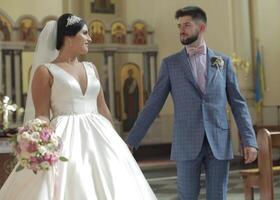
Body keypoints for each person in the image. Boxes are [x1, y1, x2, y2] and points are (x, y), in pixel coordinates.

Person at [0, 13, 156, 200]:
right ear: (69, 36)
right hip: (65, 138)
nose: (90, 38)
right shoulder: (45, 71)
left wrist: (118, 141)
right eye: (85, 33)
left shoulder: (91, 68)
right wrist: (36, 138)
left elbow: (103, 108)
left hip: (102, 136)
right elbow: (42, 114)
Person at [126, 6, 258, 200]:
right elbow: (153, 105)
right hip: (186, 142)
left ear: (202, 27)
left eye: (187, 25)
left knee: (217, 197)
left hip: (218, 143)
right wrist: (131, 141)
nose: (181, 30)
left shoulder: (223, 62)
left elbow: (238, 103)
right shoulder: (170, 64)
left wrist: (249, 140)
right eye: (179, 26)